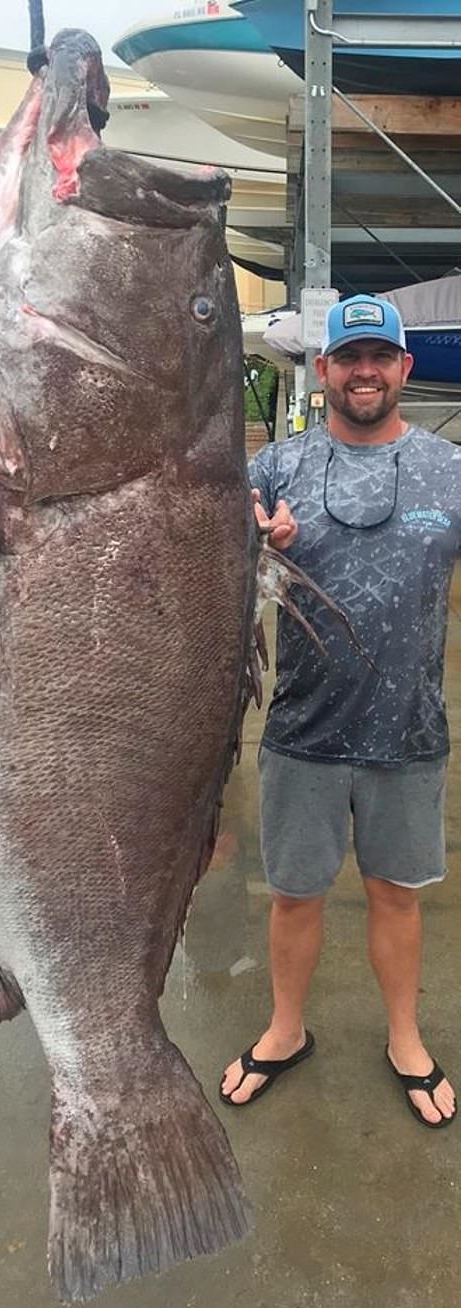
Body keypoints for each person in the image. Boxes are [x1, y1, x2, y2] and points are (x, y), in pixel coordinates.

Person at [221, 293, 460, 1128]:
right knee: (295, 896)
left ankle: (404, 1036)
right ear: (321, 371)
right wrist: (252, 537)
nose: (364, 371)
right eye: (348, 357)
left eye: (379, 356)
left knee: (397, 896)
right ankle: (286, 1030)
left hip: (411, 732)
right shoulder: (274, 469)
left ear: (404, 368)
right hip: (302, 732)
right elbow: (208, 545)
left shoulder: (449, 469)